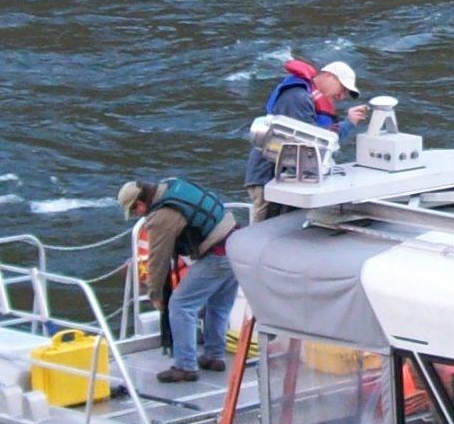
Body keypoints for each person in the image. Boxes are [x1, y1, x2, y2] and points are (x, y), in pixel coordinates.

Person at [116, 176, 238, 384]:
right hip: (236, 245)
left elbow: (158, 260)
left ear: (140, 204)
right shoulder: (171, 186)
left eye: (134, 211)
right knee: (218, 305)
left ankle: (185, 366)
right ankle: (214, 356)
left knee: (181, 305)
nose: (137, 215)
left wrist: (155, 295)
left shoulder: (161, 217)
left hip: (217, 255)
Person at [242, 56, 369, 216]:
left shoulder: (308, 98)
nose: (342, 96)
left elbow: (321, 141)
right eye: (343, 89)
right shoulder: (297, 97)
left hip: (287, 178)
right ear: (329, 76)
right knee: (267, 225)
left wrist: (349, 123)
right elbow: (306, 143)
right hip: (268, 177)